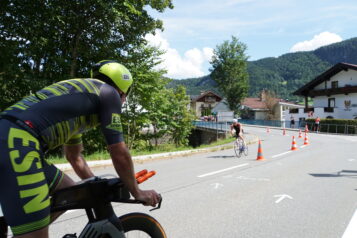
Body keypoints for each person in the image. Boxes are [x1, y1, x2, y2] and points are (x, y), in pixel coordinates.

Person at [0, 60, 160, 238]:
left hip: (10, 137)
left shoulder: (82, 97)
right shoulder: (109, 94)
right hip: (17, 143)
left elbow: (74, 156)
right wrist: (137, 192)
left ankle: (23, 222)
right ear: (123, 91)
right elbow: (118, 151)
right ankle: (28, 229)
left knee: (70, 191)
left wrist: (98, 187)